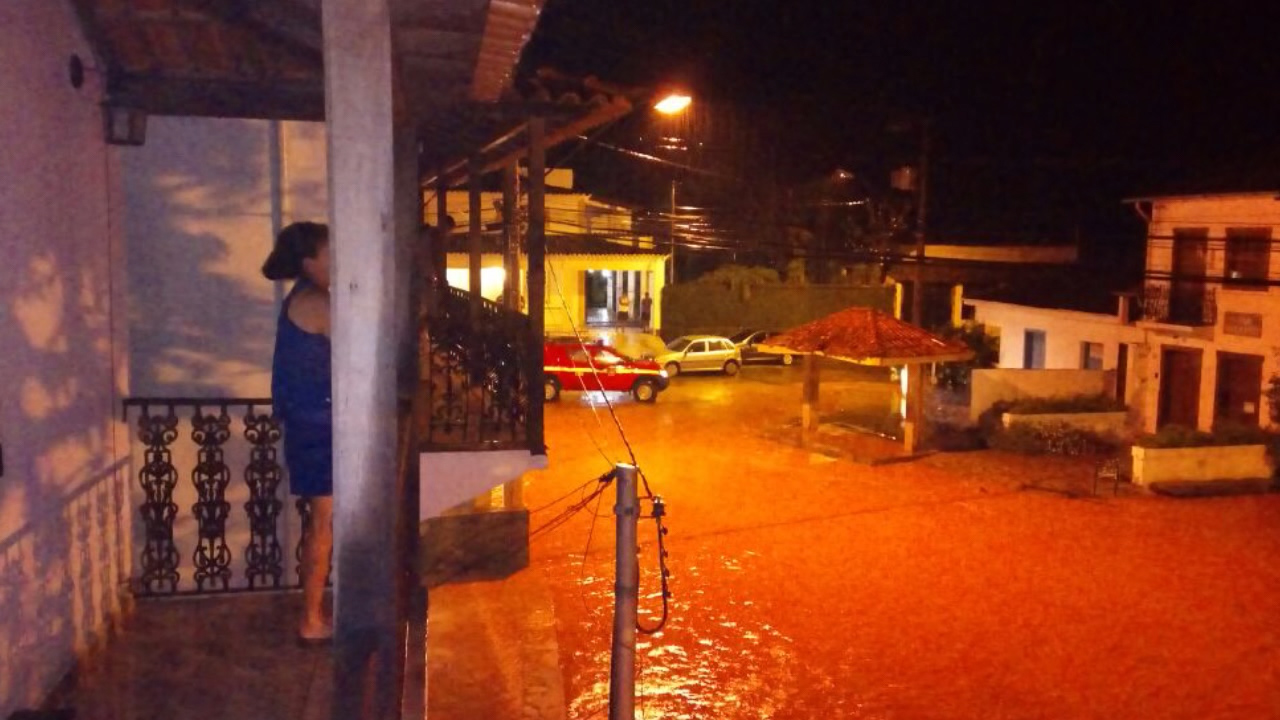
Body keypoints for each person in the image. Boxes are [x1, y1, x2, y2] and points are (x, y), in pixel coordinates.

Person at [263, 221, 334, 644]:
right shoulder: (317, 301)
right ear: (310, 261)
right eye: (330, 253)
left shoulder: (305, 297)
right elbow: (360, 346)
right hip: (318, 425)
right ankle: (311, 619)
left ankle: (314, 615)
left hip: (311, 422)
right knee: (323, 524)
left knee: (322, 523)